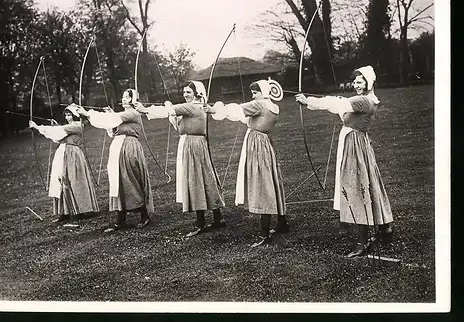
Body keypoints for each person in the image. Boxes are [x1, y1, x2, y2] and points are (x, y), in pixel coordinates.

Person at [295, 65, 394, 258]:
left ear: (369, 82)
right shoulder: (365, 99)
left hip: (355, 146)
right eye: (355, 82)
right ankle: (384, 226)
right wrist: (311, 103)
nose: (356, 85)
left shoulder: (364, 100)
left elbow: (336, 104)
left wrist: (308, 101)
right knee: (369, 185)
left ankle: (363, 242)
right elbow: (342, 104)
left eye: (360, 81)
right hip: (357, 143)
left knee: (356, 188)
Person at [203, 78, 289, 248]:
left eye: (255, 92)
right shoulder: (273, 107)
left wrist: (215, 109)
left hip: (257, 144)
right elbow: (248, 117)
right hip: (265, 144)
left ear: (263, 92)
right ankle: (282, 222)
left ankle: (265, 233)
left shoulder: (260, 104)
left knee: (262, 184)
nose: (253, 95)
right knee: (271, 181)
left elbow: (237, 110)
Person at [135, 81, 226, 237]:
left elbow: (168, 111)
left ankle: (201, 223)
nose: (185, 95)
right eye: (184, 92)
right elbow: (177, 119)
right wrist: (169, 109)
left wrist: (144, 109)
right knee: (205, 179)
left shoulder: (192, 106)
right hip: (196, 144)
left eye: (188, 92)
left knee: (196, 180)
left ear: (197, 94)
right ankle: (217, 218)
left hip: (193, 146)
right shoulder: (197, 106)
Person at [75, 88, 153, 232]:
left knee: (130, 180)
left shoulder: (132, 113)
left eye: (127, 97)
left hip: (129, 147)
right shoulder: (121, 115)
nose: (124, 99)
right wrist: (108, 115)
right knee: (119, 181)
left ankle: (144, 215)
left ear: (133, 99)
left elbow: (114, 119)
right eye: (123, 97)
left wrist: (87, 113)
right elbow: (111, 128)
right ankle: (120, 219)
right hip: (118, 146)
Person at [29, 105, 100, 227]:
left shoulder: (78, 125)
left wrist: (37, 127)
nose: (68, 117)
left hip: (72, 155)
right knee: (59, 181)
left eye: (70, 115)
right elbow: (57, 137)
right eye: (66, 115)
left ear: (76, 115)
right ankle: (64, 212)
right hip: (62, 153)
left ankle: (77, 211)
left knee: (72, 181)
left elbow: (59, 132)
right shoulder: (68, 127)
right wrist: (55, 127)